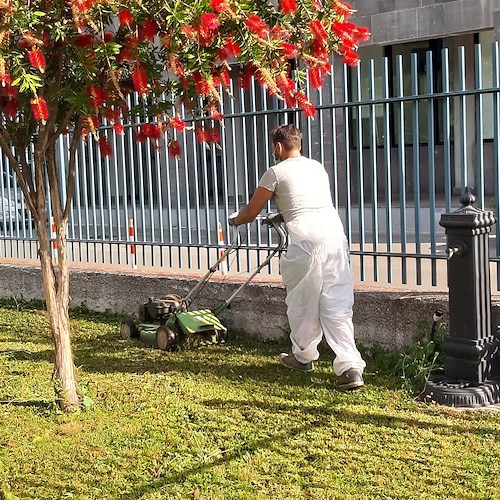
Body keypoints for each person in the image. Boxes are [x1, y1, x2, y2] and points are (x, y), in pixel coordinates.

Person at [228, 124, 366, 390]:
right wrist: (281, 215)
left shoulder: (275, 172)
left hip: (305, 243)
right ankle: (350, 367)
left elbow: (250, 212)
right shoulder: (317, 168)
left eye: (274, 147)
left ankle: (303, 357)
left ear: (278, 146)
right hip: (334, 237)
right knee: (336, 304)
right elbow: (306, 203)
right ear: (299, 144)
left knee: (303, 303)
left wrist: (235, 220)